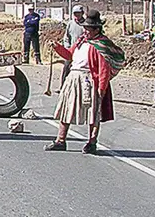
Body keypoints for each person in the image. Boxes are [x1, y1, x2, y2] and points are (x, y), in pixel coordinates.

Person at [46, 10, 125, 155]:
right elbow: (69, 55)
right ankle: (60, 140)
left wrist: (101, 89)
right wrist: (57, 47)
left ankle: (92, 142)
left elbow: (103, 69)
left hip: (89, 81)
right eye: (85, 28)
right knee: (67, 109)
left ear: (96, 29)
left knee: (93, 113)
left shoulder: (101, 45)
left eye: (88, 29)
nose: (86, 31)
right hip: (74, 78)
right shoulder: (81, 41)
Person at [60, 5, 85, 87]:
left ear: (82, 13)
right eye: (75, 13)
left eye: (78, 13)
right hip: (72, 51)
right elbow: (66, 37)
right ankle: (62, 87)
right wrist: (67, 48)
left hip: (83, 52)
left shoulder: (86, 24)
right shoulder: (70, 24)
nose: (77, 15)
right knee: (66, 68)